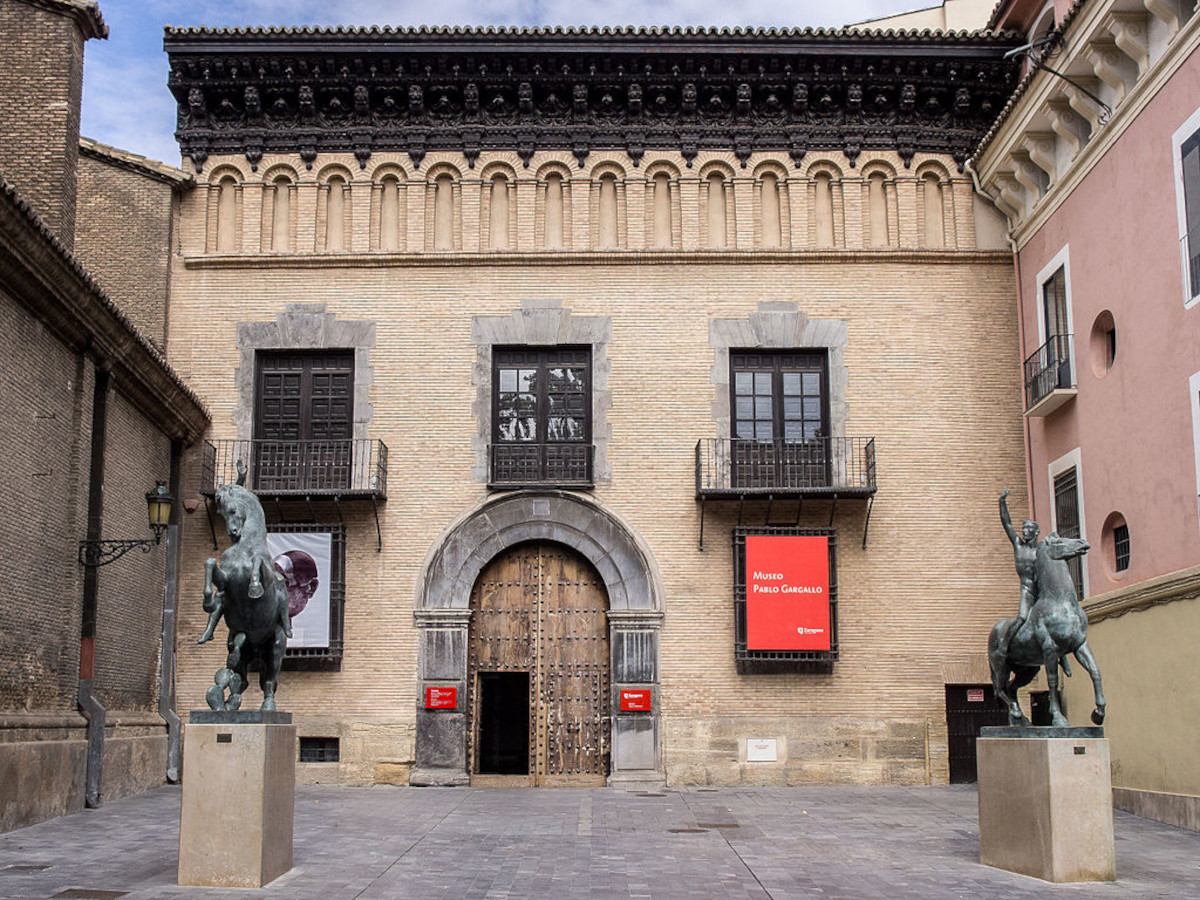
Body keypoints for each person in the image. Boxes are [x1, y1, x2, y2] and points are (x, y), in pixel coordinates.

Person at [999, 488, 1039, 656]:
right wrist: (1002, 502)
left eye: (1028, 528)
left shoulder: (1042, 550)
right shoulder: (1018, 546)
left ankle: (1063, 659)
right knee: (1022, 618)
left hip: (1041, 591)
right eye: (1023, 528)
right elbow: (1007, 523)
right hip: (1027, 591)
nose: (1024, 531)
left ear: (1036, 531)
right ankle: (1003, 646)